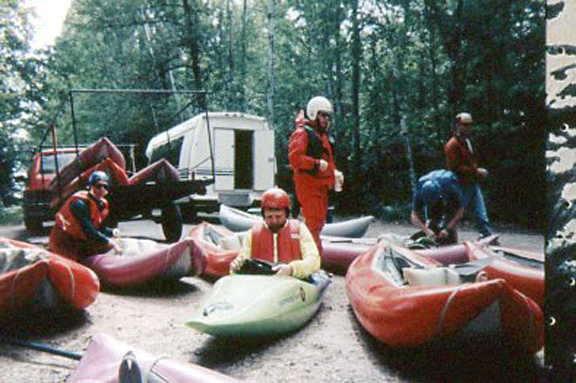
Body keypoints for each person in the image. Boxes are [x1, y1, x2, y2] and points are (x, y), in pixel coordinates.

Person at [288, 96, 343, 254]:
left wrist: (335, 174)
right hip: (309, 189)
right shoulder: (303, 133)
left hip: (321, 190)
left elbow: (328, 162)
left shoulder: (321, 136)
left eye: (328, 116)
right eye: (323, 115)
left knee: (316, 227)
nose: (326, 119)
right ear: (313, 114)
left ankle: (314, 263)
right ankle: (309, 264)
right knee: (310, 228)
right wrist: (316, 164)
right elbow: (295, 159)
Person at [230, 188, 320, 279]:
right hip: (262, 285)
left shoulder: (300, 230)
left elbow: (314, 261)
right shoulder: (252, 234)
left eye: (278, 216)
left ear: (286, 214)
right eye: (269, 217)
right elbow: (242, 259)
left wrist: (292, 269)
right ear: (263, 215)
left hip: (295, 283)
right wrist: (235, 266)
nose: (274, 221)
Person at [49, 171, 121, 260]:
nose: (101, 190)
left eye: (105, 186)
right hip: (63, 242)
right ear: (90, 187)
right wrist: (110, 242)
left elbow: (97, 227)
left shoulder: (101, 203)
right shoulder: (79, 204)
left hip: (77, 239)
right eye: (98, 186)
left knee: (105, 245)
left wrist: (111, 232)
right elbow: (89, 231)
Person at [445, 112, 494, 239]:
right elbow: (454, 168)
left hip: (472, 183)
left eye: (470, 125)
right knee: (454, 216)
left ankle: (488, 239)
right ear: (458, 125)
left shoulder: (468, 142)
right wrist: (477, 171)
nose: (468, 128)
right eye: (465, 125)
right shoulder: (452, 145)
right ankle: (444, 240)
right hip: (460, 185)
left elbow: (471, 161)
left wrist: (476, 173)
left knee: (481, 215)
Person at [410, 169, 465, 245]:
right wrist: (426, 230)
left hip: (448, 192)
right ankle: (433, 238)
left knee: (449, 221)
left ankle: (453, 243)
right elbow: (414, 215)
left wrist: (447, 229)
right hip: (437, 192)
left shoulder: (451, 187)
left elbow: (460, 210)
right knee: (432, 222)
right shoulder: (420, 189)